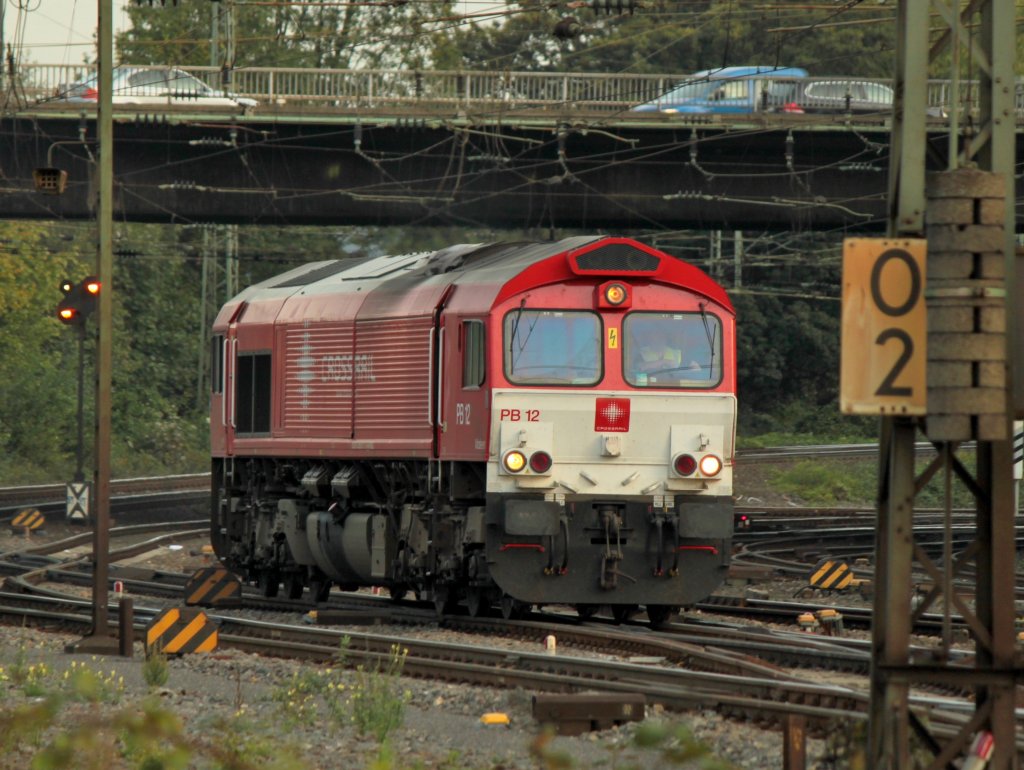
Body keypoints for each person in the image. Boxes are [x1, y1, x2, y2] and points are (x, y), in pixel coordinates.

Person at [633, 325, 700, 380]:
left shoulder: (677, 353)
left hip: (675, 387)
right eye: (654, 336)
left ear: (665, 338)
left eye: (660, 336)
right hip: (650, 387)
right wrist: (665, 362)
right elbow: (640, 367)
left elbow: (697, 369)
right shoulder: (642, 353)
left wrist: (685, 374)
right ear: (649, 338)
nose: (658, 339)